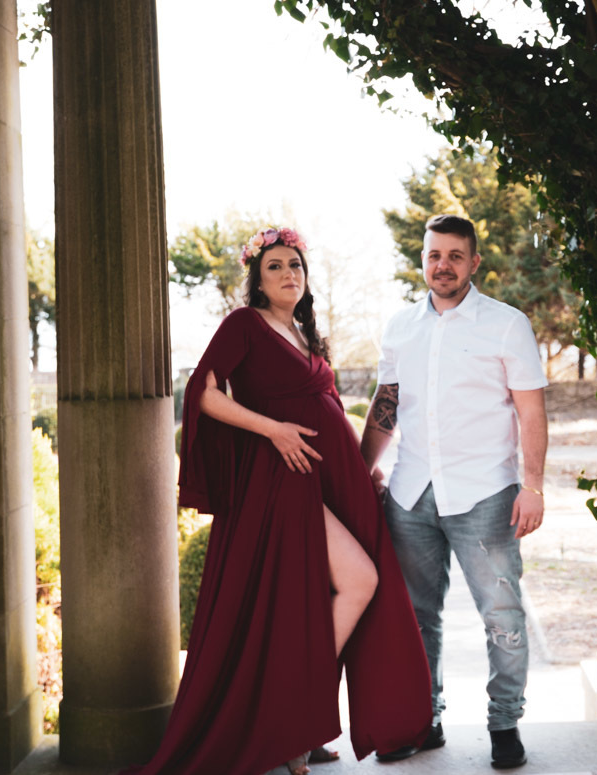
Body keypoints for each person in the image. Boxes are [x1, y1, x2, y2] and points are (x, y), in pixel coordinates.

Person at [125, 228, 431, 775]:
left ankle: (298, 725)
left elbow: (328, 407)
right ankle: (291, 724)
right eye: (275, 267)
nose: (289, 272)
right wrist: (274, 431)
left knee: (317, 600)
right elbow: (204, 393)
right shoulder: (245, 325)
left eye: (295, 264)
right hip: (281, 479)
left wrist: (363, 469)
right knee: (360, 581)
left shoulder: (305, 331)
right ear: (258, 281)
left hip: (328, 481)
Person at [360, 214, 549, 769]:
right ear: (423, 259)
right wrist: (357, 469)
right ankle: (425, 719)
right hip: (411, 492)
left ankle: (505, 724)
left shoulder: (507, 325)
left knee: (502, 613)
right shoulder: (399, 326)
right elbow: (386, 406)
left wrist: (532, 486)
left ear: (474, 262)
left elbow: (531, 411)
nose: (442, 265)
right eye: (433, 254)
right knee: (417, 616)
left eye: (454, 255)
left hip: (485, 494)